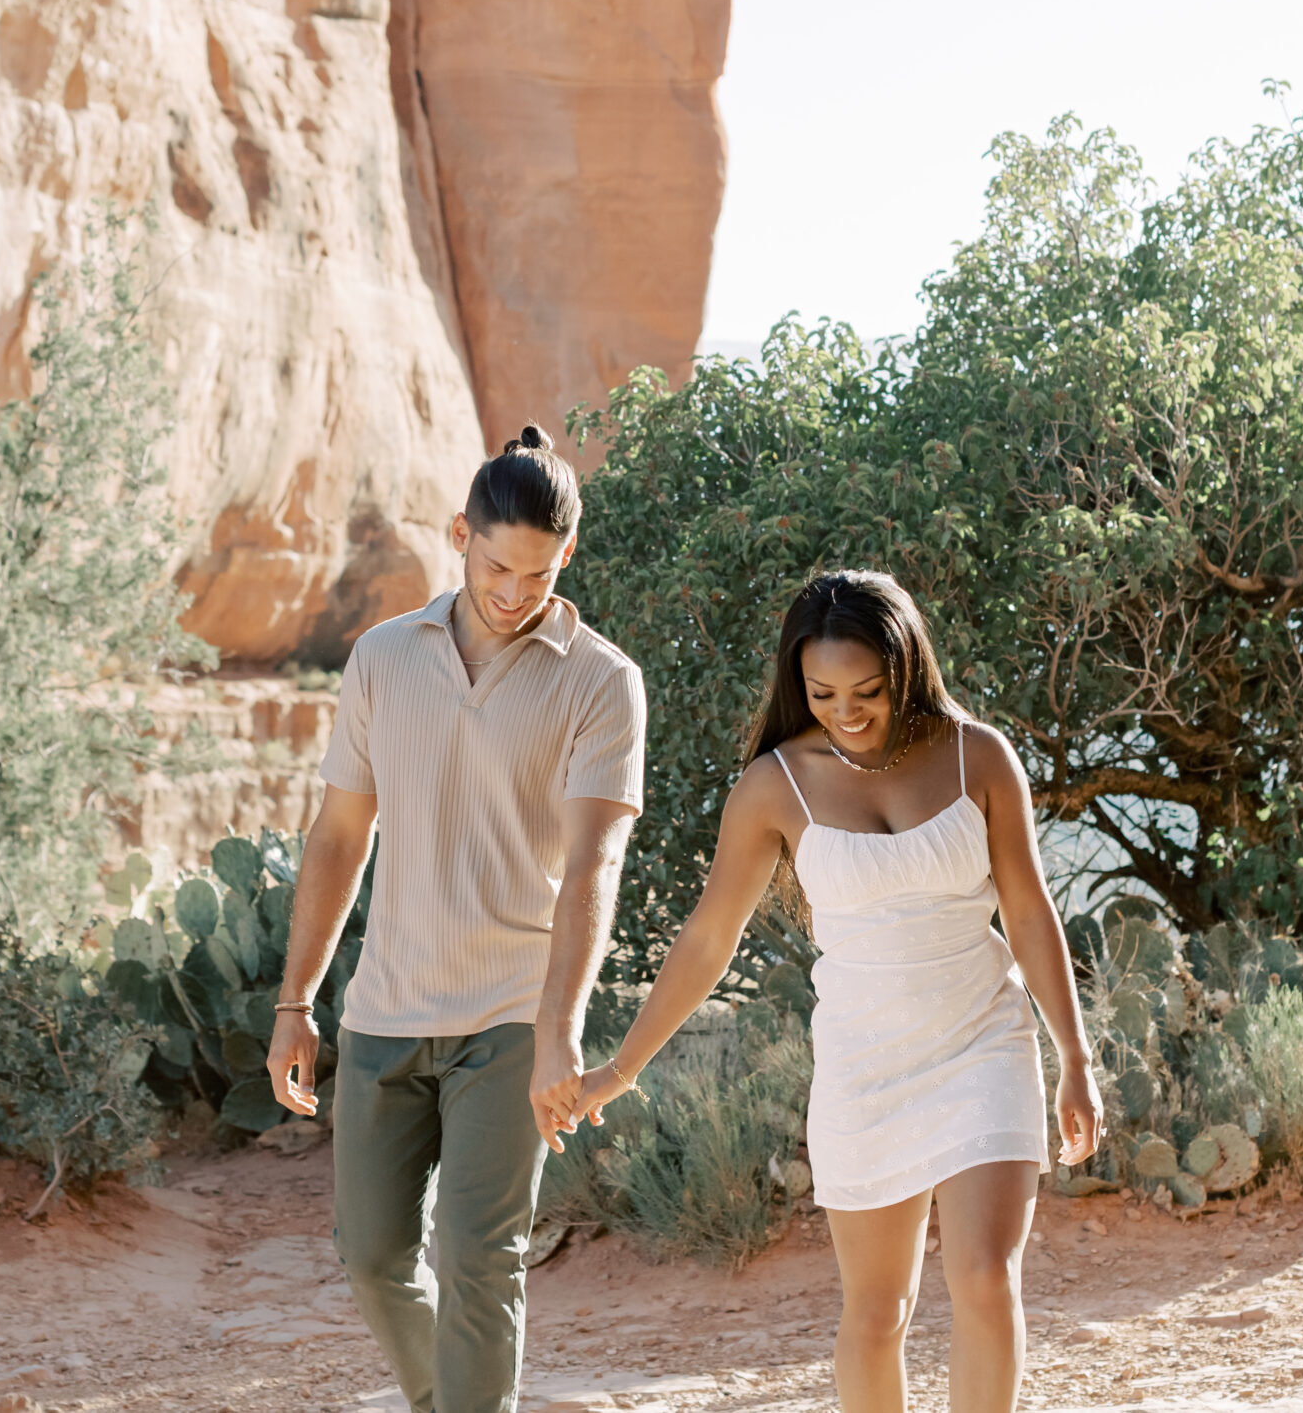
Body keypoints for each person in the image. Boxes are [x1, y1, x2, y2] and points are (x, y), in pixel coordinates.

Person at [549, 569, 1104, 1413]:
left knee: (986, 1279)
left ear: (907, 669)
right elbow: (708, 937)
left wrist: (1074, 1053)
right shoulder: (776, 785)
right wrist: (622, 1068)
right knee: (879, 1313)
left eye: (869, 691)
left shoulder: (978, 755)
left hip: (982, 1045)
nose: (847, 710)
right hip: (864, 1071)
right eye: (823, 692)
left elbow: (1029, 912)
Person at [264, 426, 646, 1413]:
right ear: (457, 537)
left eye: (536, 572)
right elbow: (340, 834)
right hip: (385, 1008)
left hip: (511, 1018)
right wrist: (294, 1003)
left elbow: (594, 862)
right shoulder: (383, 659)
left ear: (567, 557)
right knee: (371, 1253)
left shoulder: (602, 682)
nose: (513, 593)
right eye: (494, 566)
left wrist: (561, 1027)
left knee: (481, 1259)